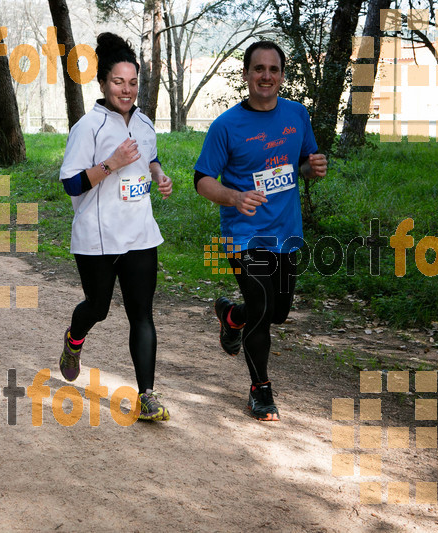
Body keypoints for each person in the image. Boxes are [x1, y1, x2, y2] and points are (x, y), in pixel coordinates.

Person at [194, 41, 328, 421]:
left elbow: (301, 164)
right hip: (244, 235)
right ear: (246, 75)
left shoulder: (297, 115)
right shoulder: (226, 126)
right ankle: (261, 390)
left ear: (282, 75)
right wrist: (235, 198)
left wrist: (312, 167)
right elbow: (202, 180)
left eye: (273, 69)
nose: (266, 76)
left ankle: (232, 317)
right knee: (264, 306)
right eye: (258, 69)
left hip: (285, 233)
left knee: (277, 313)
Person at [57, 32, 173, 422]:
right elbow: (71, 183)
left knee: (142, 314)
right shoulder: (87, 127)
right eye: (119, 82)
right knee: (99, 307)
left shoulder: (143, 122)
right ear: (104, 83)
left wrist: (157, 174)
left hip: (140, 232)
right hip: (97, 236)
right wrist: (112, 163)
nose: (127, 89)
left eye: (133, 82)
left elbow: (151, 155)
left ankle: (147, 396)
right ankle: (75, 340)